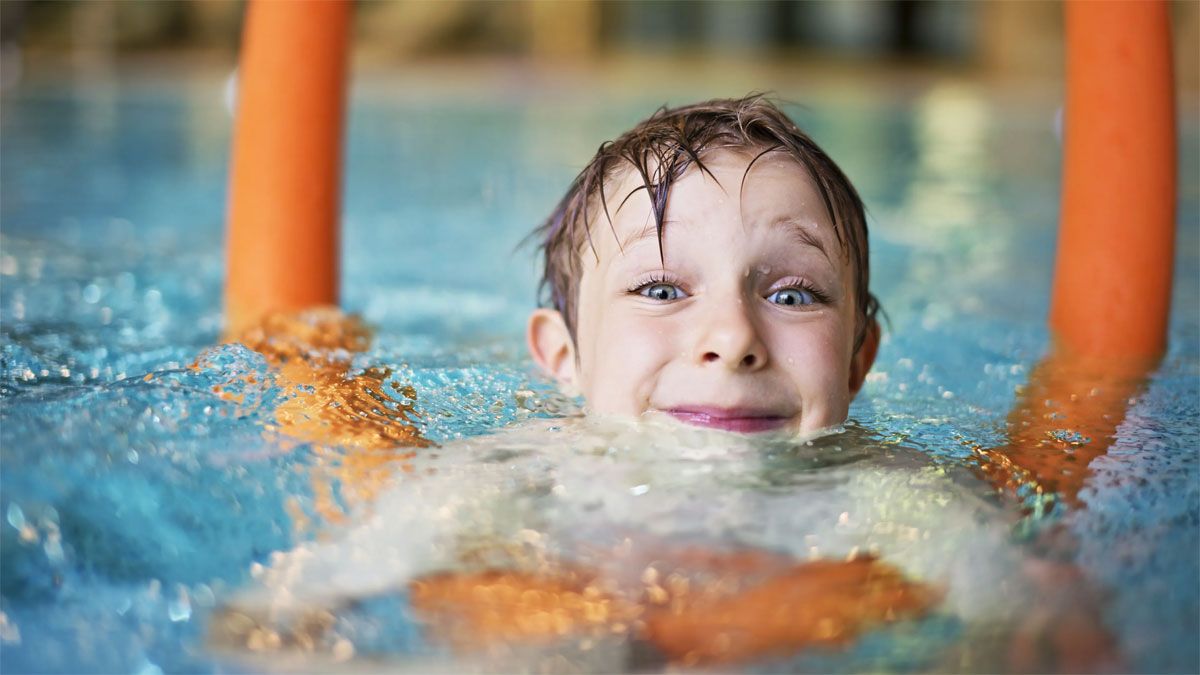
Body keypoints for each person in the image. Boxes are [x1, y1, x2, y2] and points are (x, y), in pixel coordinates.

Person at [525, 95, 879, 437]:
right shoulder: (510, 479)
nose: (734, 341)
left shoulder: (903, 489)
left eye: (791, 297)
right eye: (660, 291)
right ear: (564, 354)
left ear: (855, 362)